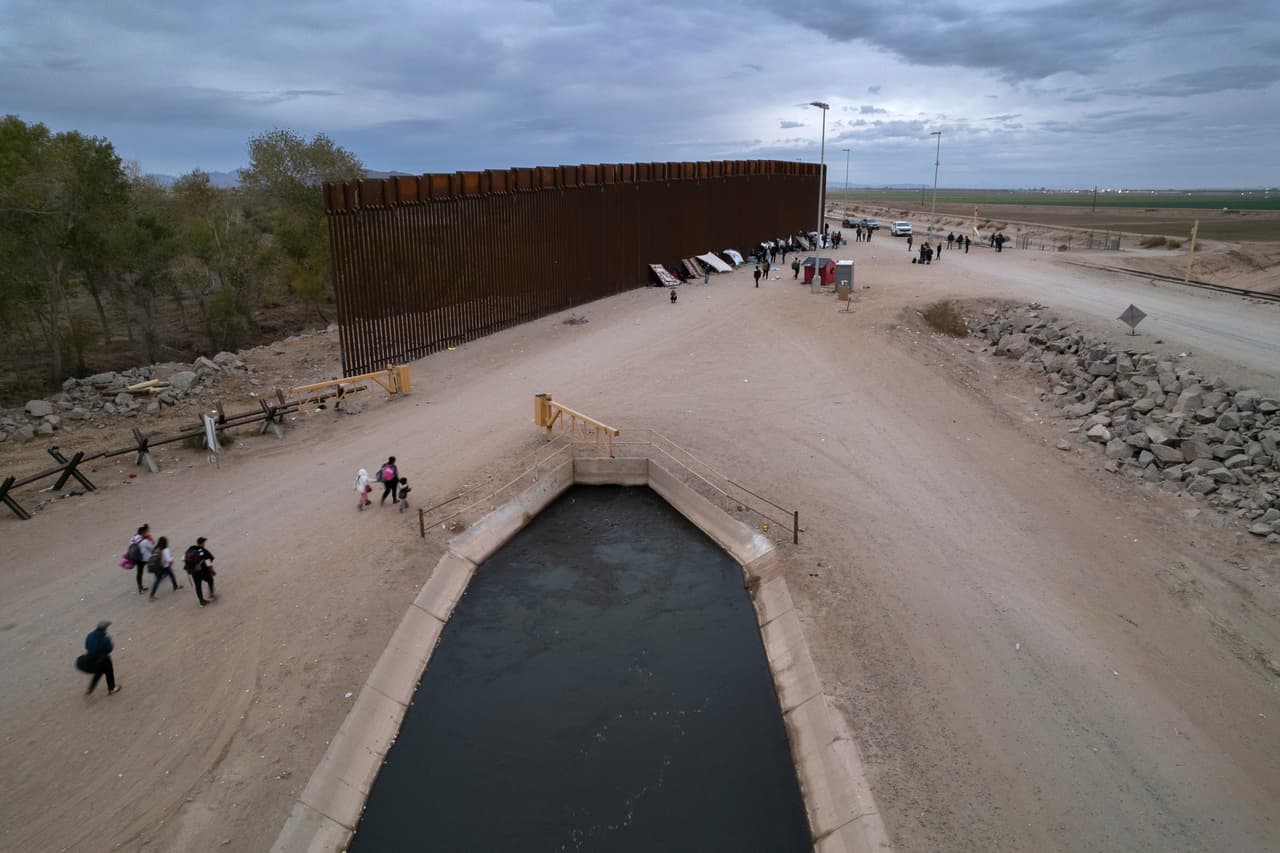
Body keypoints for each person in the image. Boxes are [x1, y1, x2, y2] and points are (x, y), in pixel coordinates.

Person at [78, 620, 121, 696]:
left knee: (99, 672)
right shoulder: (105, 639)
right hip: (103, 659)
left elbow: (86, 646)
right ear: (105, 629)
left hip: (90, 659)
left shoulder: (90, 635)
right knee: (109, 672)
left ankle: (90, 688)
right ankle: (112, 688)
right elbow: (110, 649)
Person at [184, 537, 217, 607]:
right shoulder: (204, 551)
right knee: (210, 580)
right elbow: (208, 562)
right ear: (202, 543)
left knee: (198, 586)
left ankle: (201, 601)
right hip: (203, 571)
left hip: (194, 572)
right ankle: (211, 594)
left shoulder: (191, 549)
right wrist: (212, 571)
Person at [147, 536, 182, 600]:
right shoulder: (165, 549)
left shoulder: (156, 548)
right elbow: (168, 559)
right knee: (169, 576)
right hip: (164, 566)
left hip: (157, 566)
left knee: (161, 578)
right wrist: (172, 559)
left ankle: (175, 586)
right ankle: (175, 586)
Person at [127, 525, 155, 595]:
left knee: (139, 572)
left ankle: (140, 587)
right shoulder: (144, 541)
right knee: (154, 564)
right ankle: (160, 575)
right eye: (146, 532)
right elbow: (151, 548)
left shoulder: (133, 538)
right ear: (143, 533)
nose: (147, 533)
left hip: (136, 558)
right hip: (144, 558)